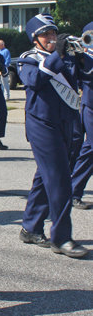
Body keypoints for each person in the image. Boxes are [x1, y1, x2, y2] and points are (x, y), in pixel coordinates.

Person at [17, 14, 91, 258]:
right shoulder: (28, 59)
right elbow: (35, 80)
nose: (51, 38)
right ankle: (61, 238)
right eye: (45, 34)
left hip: (68, 123)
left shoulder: (67, 56)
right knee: (60, 180)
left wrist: (82, 57)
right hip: (42, 125)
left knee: (45, 176)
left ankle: (30, 226)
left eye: (53, 33)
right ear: (34, 39)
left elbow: (88, 77)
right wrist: (57, 55)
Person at [71, 22, 93, 210]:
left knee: (89, 149)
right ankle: (73, 190)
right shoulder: (84, 57)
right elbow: (81, 77)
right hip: (90, 105)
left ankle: (73, 190)